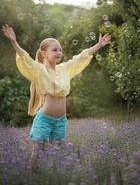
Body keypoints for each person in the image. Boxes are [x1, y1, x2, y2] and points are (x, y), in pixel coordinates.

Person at [2, 24, 111, 164]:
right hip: (44, 120)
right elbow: (25, 58)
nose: (59, 52)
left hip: (61, 121)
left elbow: (80, 57)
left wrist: (98, 45)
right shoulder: (40, 70)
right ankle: (30, 177)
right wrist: (13, 41)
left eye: (60, 49)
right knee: (37, 153)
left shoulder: (65, 69)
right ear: (44, 54)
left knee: (58, 153)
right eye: (55, 50)